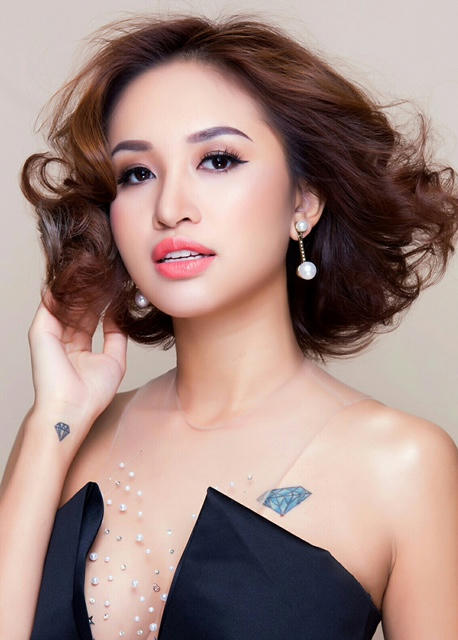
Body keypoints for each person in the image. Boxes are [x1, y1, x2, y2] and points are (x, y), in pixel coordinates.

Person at [0, 12, 457, 640]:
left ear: (303, 201)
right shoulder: (67, 436)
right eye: (137, 173)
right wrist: (51, 421)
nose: (170, 208)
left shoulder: (402, 464)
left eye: (217, 160)